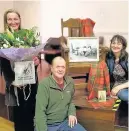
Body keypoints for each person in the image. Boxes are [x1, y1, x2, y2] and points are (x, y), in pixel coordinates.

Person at [0, 9, 40, 131]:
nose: (13, 22)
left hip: (30, 81)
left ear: (20, 20)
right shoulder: (3, 39)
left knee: (31, 111)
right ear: (6, 22)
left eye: (15, 18)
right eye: (10, 19)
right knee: (19, 114)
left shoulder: (27, 36)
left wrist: (36, 63)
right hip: (15, 84)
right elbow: (3, 65)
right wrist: (13, 81)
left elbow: (32, 58)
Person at [35, 56, 86, 131]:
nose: (60, 69)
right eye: (57, 67)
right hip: (48, 124)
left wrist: (71, 113)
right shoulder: (44, 85)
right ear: (51, 68)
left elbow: (71, 100)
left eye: (63, 67)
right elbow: (40, 112)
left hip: (65, 122)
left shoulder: (70, 82)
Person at [105, 35, 128, 102]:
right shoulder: (108, 57)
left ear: (123, 46)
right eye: (113, 43)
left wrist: (118, 88)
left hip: (125, 85)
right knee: (123, 95)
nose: (115, 45)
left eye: (119, 44)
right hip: (118, 88)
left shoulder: (127, 59)